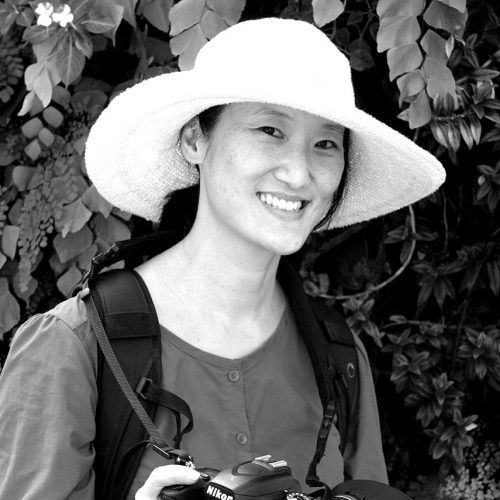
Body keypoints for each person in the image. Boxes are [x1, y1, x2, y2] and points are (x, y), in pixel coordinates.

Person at [0, 17, 445, 500]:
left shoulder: (338, 356)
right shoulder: (75, 346)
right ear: (195, 139)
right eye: (270, 129)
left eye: (325, 144)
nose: (299, 174)